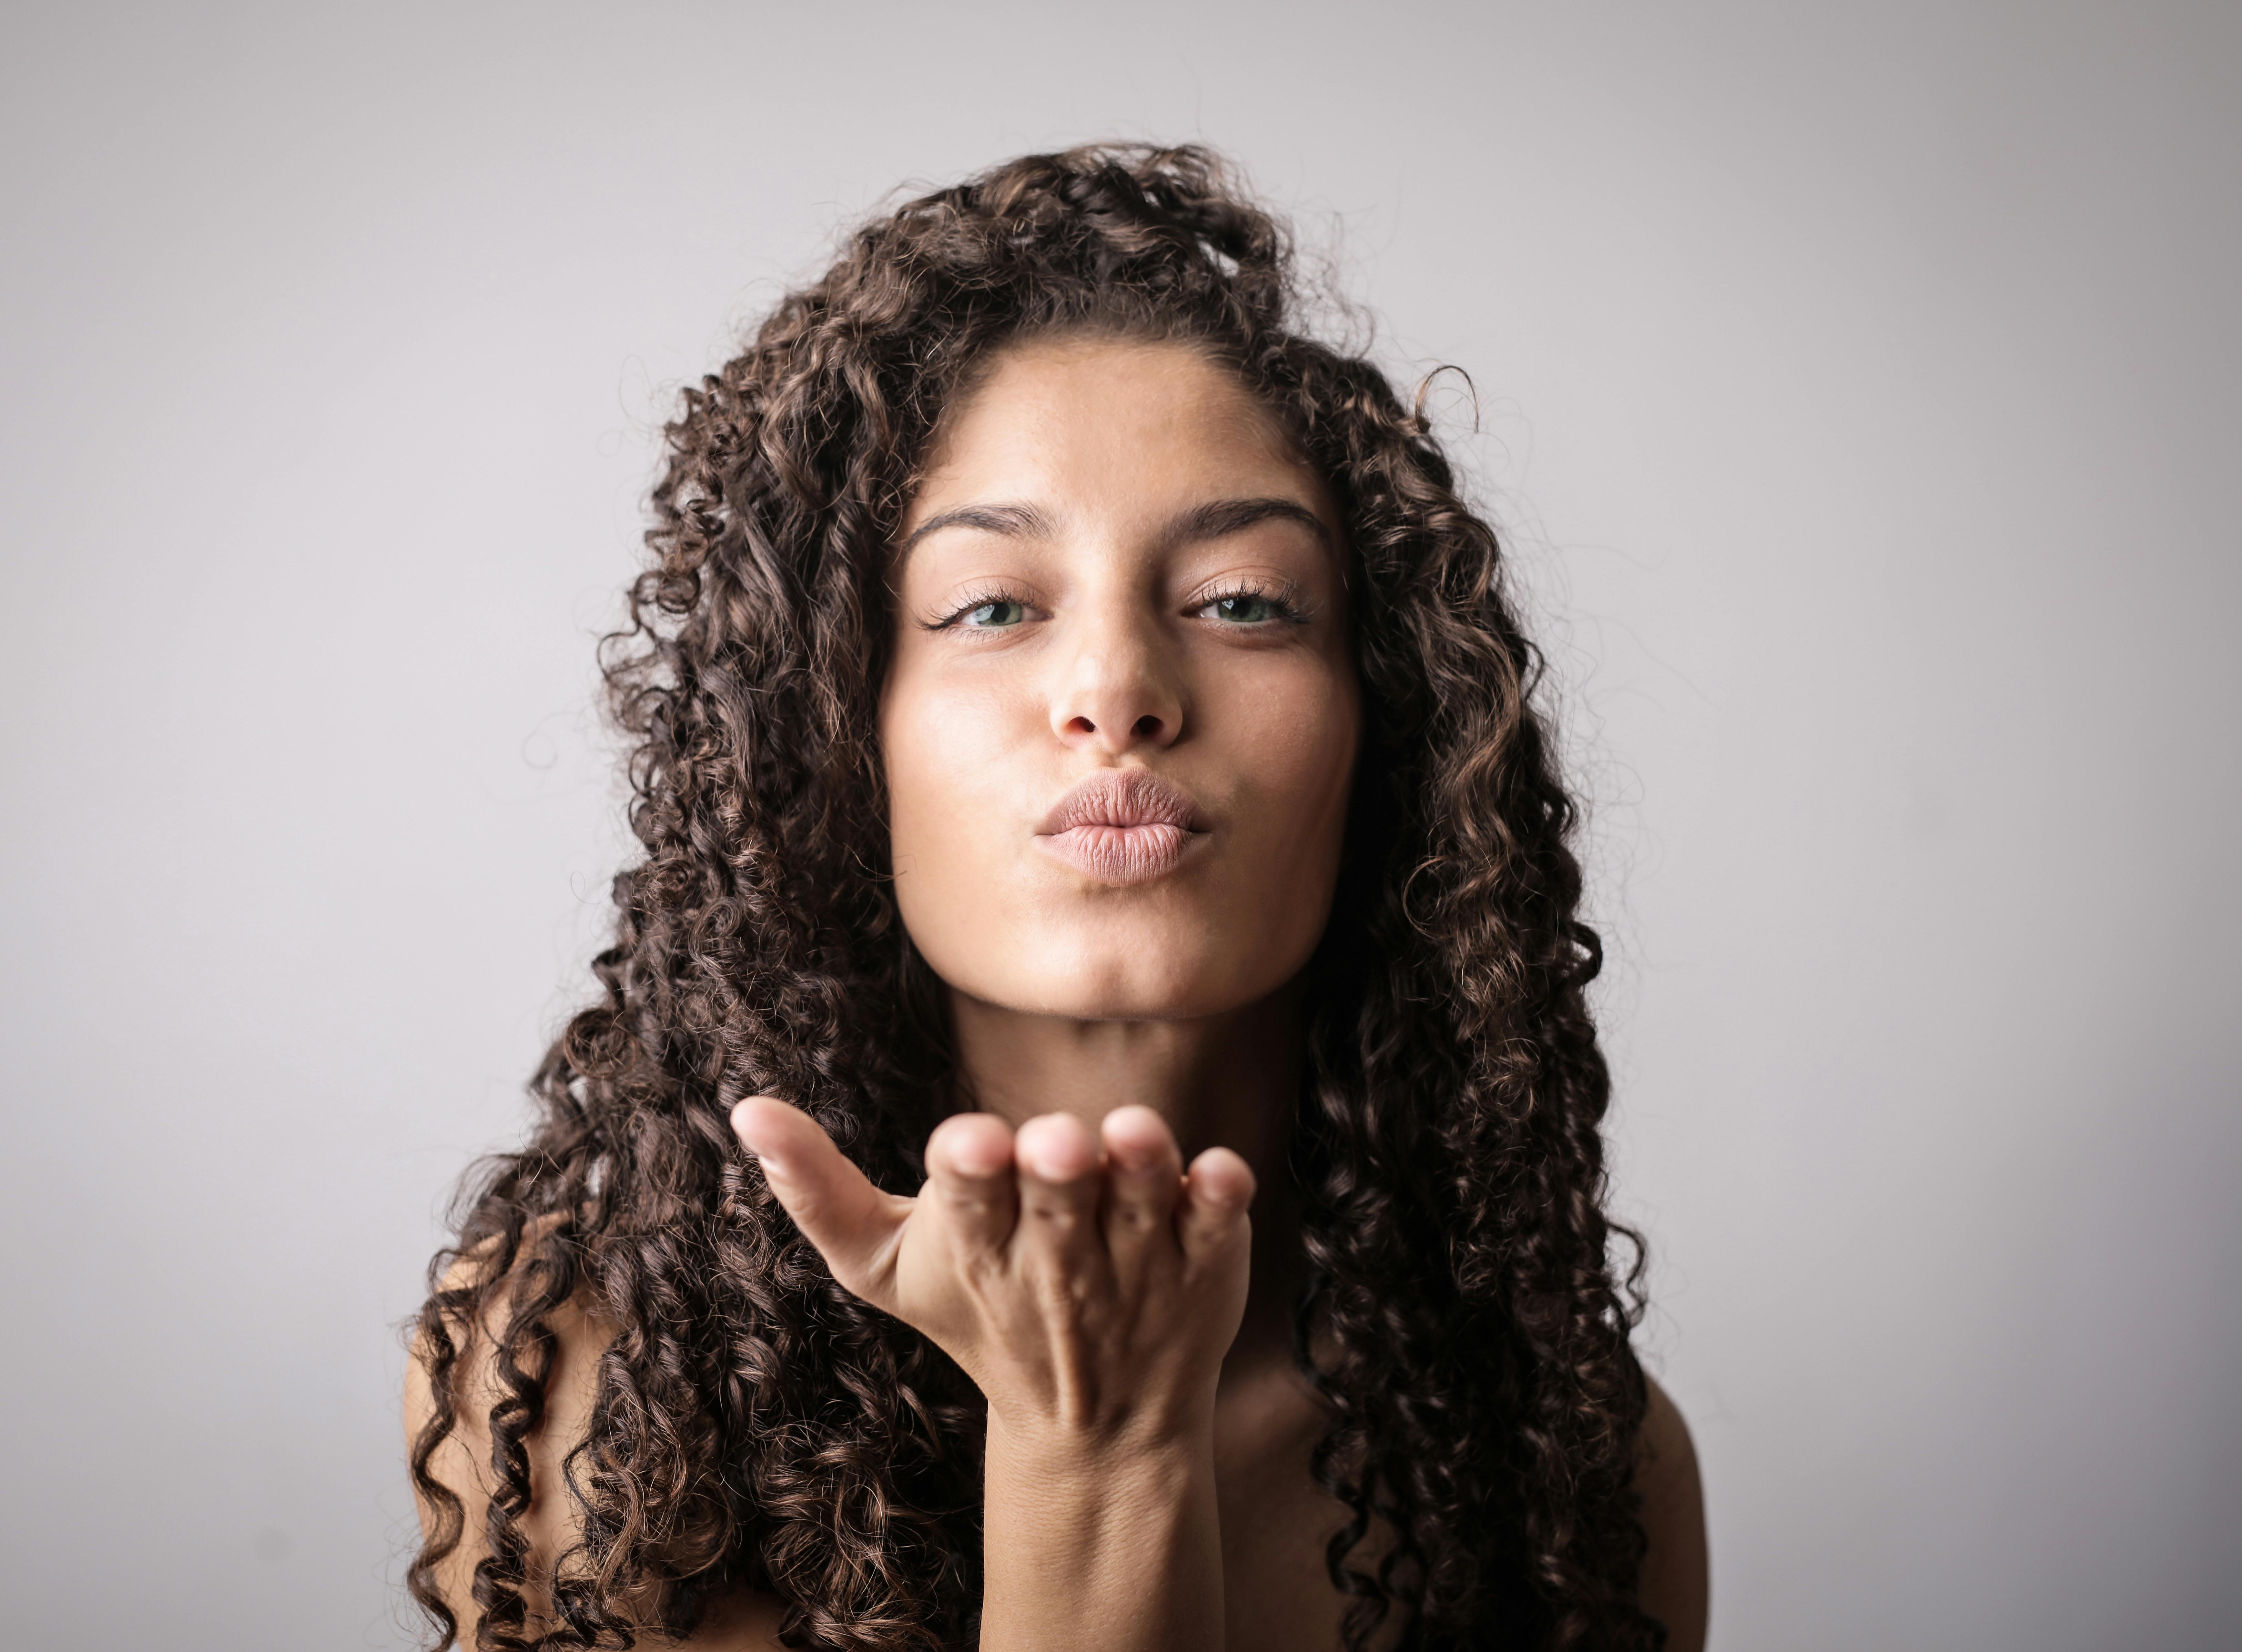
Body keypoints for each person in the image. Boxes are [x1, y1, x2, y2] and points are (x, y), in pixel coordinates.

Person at [405, 143, 1707, 1652]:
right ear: (840, 733)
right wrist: (1095, 1449)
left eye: (1240, 601)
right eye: (993, 607)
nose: (1118, 691)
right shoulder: (596, 1381)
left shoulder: (1571, 1456)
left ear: (1388, 724)